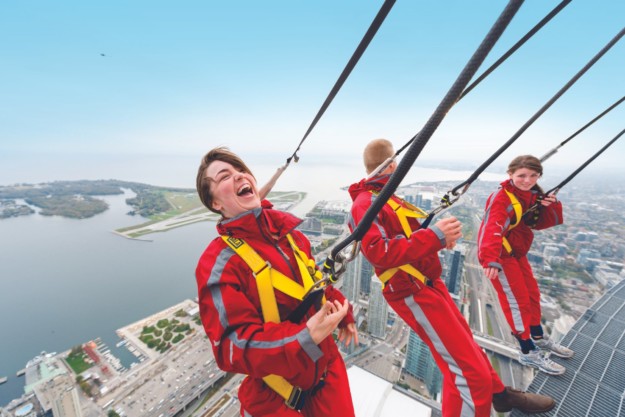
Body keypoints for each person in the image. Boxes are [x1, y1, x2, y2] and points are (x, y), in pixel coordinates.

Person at [348, 139, 555, 417]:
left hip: (428, 284)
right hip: (411, 291)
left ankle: (500, 395)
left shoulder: (384, 198)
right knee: (467, 373)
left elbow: (403, 238)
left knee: (467, 350)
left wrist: (435, 240)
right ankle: (491, 396)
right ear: (394, 165)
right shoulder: (366, 203)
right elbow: (379, 252)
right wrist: (434, 236)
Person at [195, 147, 358, 417]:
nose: (238, 176)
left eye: (241, 170)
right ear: (215, 204)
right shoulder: (220, 263)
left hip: (326, 369)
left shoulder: (290, 236)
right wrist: (302, 338)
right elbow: (230, 346)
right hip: (275, 396)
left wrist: (344, 312)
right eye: (225, 176)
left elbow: (314, 284)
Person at [478, 155, 574, 375]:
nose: (527, 180)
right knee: (516, 301)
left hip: (516, 253)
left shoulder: (530, 196)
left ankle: (538, 338)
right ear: (510, 174)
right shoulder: (502, 197)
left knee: (532, 295)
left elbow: (537, 223)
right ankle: (527, 350)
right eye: (521, 175)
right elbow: (491, 227)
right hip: (501, 256)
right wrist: (490, 258)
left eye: (533, 175)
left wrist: (551, 205)